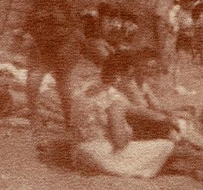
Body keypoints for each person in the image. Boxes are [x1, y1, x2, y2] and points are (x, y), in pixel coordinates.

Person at [71, 49, 175, 178]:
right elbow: (119, 142)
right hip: (101, 156)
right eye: (129, 77)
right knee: (166, 145)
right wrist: (129, 132)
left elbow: (134, 110)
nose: (130, 82)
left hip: (79, 152)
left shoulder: (85, 87)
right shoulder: (115, 99)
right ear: (118, 77)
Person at [22, 0, 85, 130]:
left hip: (57, 46)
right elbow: (28, 28)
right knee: (54, 82)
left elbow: (77, 33)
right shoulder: (49, 8)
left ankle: (44, 117)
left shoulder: (48, 8)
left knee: (54, 82)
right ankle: (63, 119)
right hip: (51, 47)